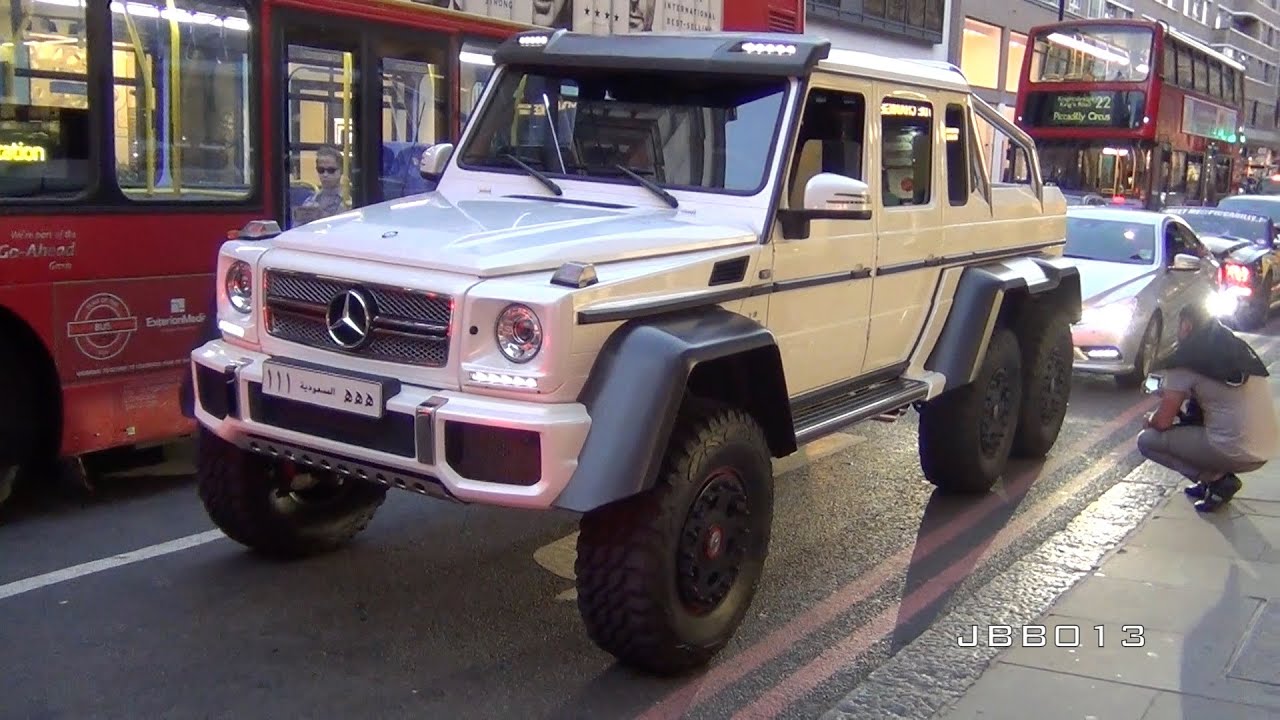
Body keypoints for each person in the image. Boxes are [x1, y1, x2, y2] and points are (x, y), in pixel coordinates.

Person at [1137, 302, 1278, 512]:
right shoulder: (1234, 347)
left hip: (1236, 449)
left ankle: (1217, 480)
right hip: (1269, 448)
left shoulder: (1186, 359)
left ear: (1186, 326)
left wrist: (1151, 420)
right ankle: (1213, 480)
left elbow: (1163, 422)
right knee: (1203, 427)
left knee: (1147, 440)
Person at [293, 146, 349, 225]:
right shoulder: (310, 202)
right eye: (321, 170)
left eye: (331, 170)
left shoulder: (349, 201)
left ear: (341, 171)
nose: (325, 175)